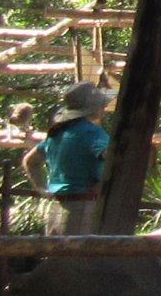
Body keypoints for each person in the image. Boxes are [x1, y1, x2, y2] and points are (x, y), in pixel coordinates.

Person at [39, 82, 114, 234]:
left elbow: (30, 161)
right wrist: (102, 185)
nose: (104, 108)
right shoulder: (92, 133)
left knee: (54, 255)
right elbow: (114, 158)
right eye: (102, 105)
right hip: (83, 205)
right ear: (93, 108)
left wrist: (43, 189)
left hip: (55, 205)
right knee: (79, 254)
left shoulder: (57, 132)